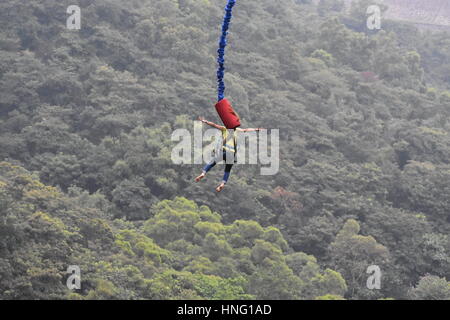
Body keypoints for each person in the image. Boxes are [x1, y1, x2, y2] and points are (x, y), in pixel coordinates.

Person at [195, 116, 262, 192]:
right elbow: (246, 130)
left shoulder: (224, 129)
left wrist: (204, 121)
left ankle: (203, 173)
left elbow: (213, 125)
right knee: (227, 170)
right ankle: (222, 184)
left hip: (224, 151)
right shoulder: (238, 130)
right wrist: (257, 129)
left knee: (212, 162)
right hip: (232, 154)